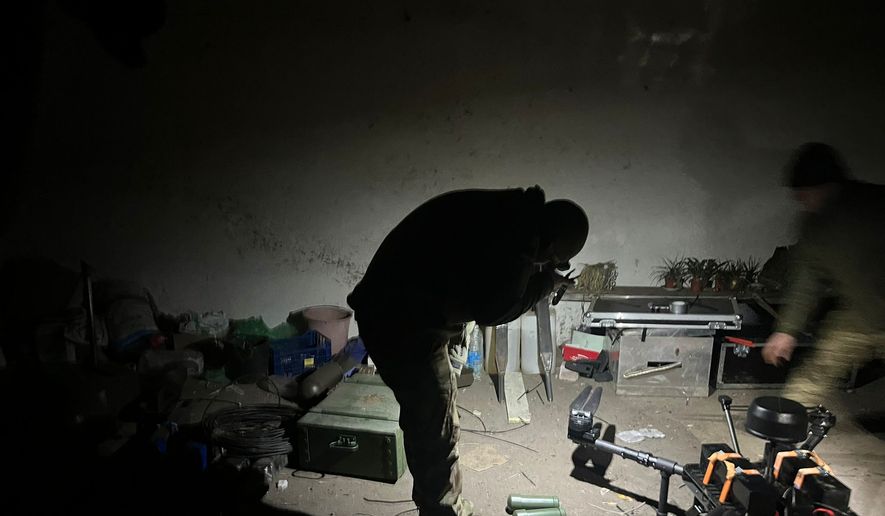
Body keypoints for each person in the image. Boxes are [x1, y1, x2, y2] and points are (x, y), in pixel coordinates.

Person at [347, 186, 589, 516]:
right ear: (549, 244)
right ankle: (442, 510)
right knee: (434, 424)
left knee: (440, 411)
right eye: (555, 259)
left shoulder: (513, 213)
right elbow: (496, 310)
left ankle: (444, 500)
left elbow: (480, 279)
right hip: (401, 323)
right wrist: (546, 282)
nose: (551, 264)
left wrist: (541, 274)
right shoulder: (517, 238)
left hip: (420, 306)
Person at [761, 142, 885, 406]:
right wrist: (786, 331)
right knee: (816, 370)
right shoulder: (813, 226)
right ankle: (784, 426)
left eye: (805, 192)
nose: (800, 199)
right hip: (860, 316)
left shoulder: (875, 206)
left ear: (829, 185)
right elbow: (806, 281)